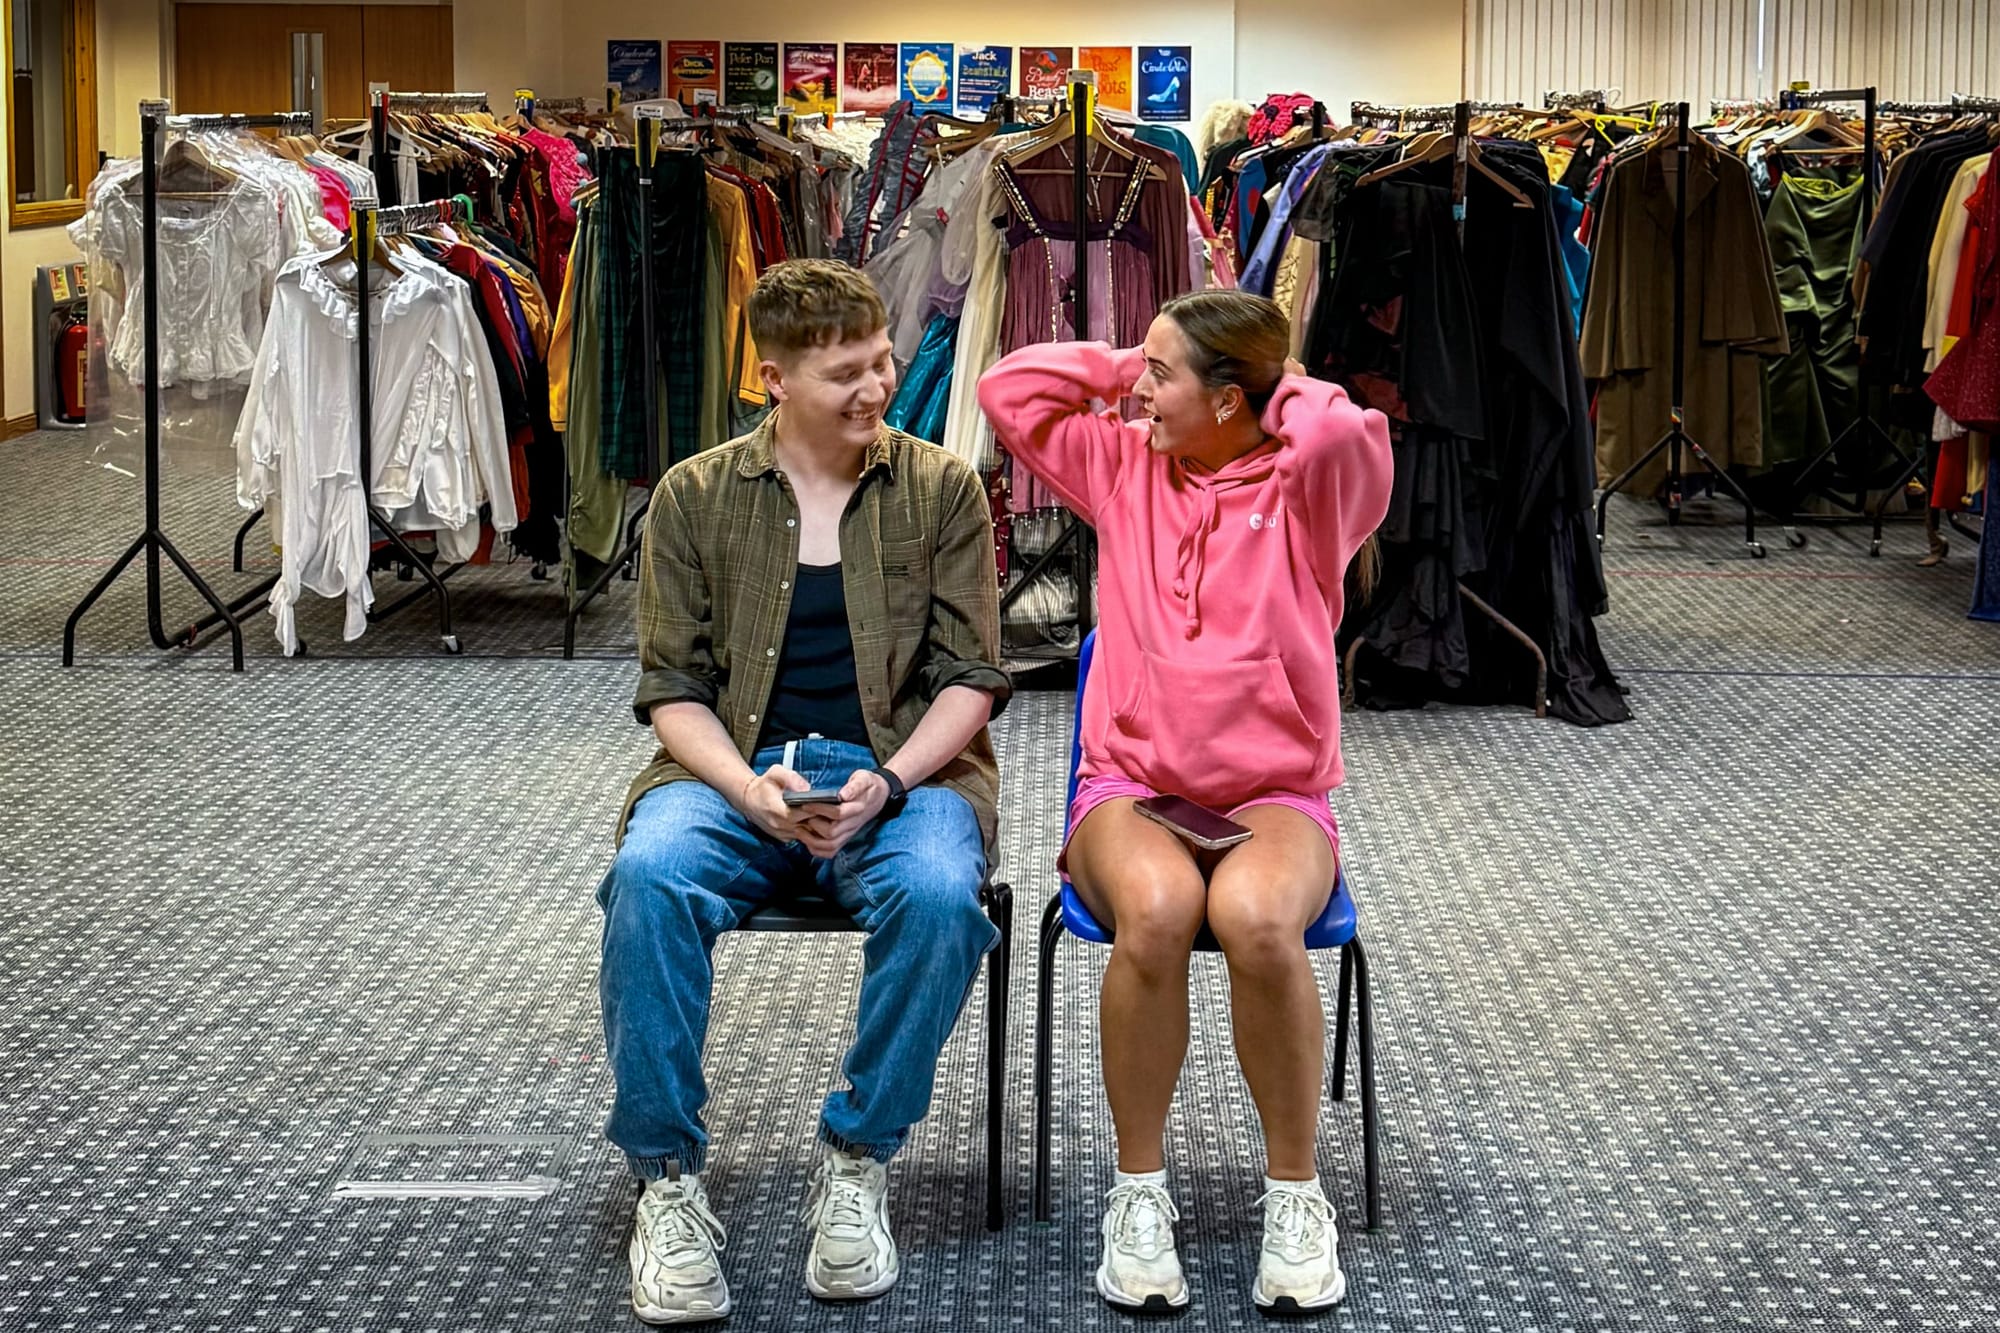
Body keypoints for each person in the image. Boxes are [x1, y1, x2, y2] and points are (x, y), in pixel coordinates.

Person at [599, 259, 1009, 1325]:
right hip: (735, 767)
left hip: (903, 768)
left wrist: (888, 779)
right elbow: (671, 692)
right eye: (845, 374)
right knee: (648, 876)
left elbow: (972, 677)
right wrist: (748, 791)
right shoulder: (693, 495)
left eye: (880, 362)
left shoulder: (940, 486)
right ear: (772, 379)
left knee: (934, 897)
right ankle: (665, 1178)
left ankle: (857, 1156)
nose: (876, 387)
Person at [978, 291, 1393, 1315]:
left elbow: (1346, 429)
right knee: (1158, 911)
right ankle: (1138, 1193)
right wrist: (1134, 361)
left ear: (1229, 398)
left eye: (1164, 378)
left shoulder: (1307, 488)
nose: (1139, 393)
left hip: (1274, 788)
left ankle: (1294, 1197)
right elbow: (1006, 393)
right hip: (1131, 781)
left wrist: (1268, 384)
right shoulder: (1123, 468)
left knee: (1254, 919)